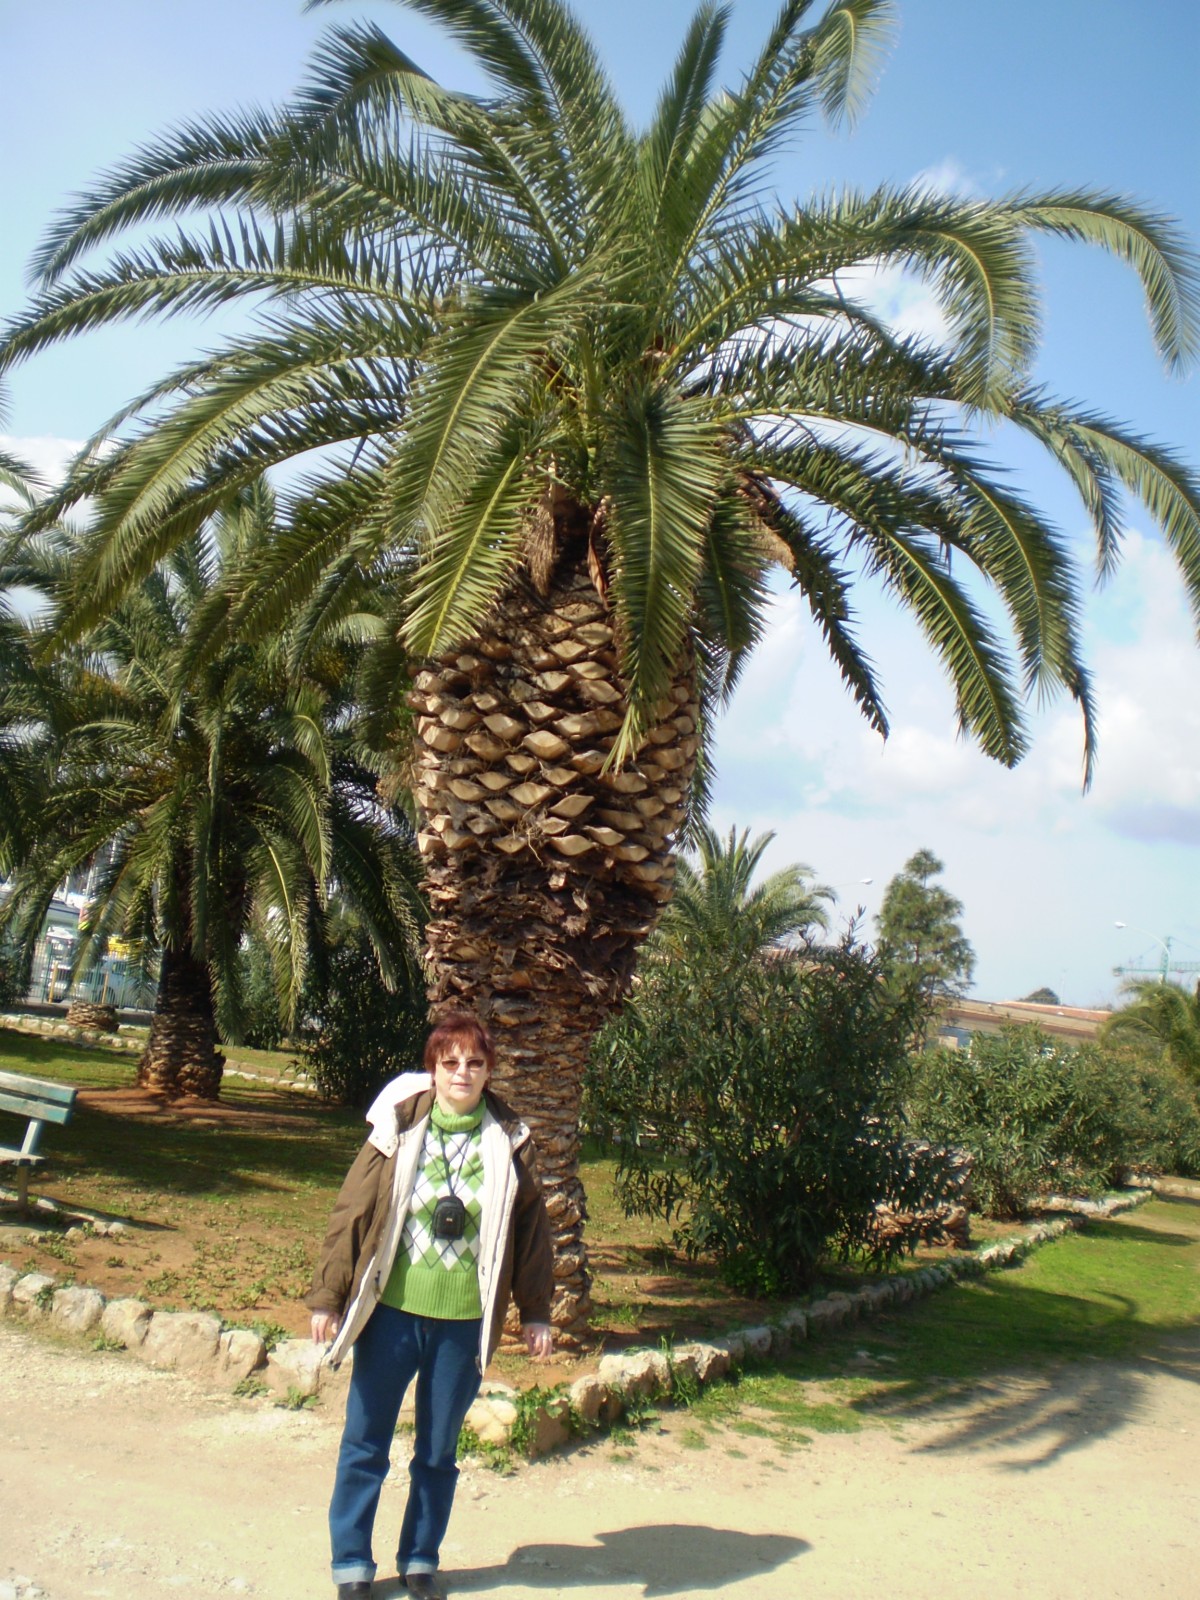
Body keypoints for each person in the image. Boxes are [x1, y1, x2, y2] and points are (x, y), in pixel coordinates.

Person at [307, 1012, 554, 1600]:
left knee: (438, 1451)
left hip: (463, 1324)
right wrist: (328, 1296)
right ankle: (351, 1565)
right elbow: (352, 1211)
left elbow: (531, 1232)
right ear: (434, 1070)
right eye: (451, 1062)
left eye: (474, 1063)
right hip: (392, 1315)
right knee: (365, 1441)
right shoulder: (397, 1127)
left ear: (489, 1072)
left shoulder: (510, 1141)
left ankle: (420, 1560)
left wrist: (536, 1311)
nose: (462, 1073)